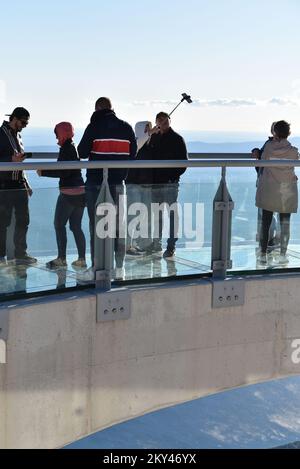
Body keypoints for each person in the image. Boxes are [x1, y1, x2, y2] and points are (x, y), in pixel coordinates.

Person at [78, 97, 137, 277]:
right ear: (112, 108)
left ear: (97, 109)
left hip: (96, 184)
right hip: (118, 184)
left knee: (97, 226)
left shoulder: (93, 127)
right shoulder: (126, 127)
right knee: (118, 226)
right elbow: (133, 154)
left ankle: (98, 267)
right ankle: (119, 268)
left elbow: (81, 153)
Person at [129, 112, 188, 258]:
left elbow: (184, 163)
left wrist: (171, 176)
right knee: (158, 215)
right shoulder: (153, 138)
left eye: (165, 119)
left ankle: (171, 245)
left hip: (169, 184)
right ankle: (157, 244)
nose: (163, 122)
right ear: (157, 122)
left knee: (172, 214)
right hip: (155, 184)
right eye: (160, 120)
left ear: (169, 121)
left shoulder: (177, 139)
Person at [38, 122, 86, 269]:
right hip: (80, 191)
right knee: (76, 226)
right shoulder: (73, 147)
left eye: (57, 134)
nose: (56, 137)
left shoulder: (66, 149)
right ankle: (82, 259)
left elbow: (64, 171)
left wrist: (43, 172)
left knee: (59, 225)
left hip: (68, 193)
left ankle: (61, 258)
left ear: (62, 133)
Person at [256, 120, 299, 266]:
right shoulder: (293, 151)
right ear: (288, 133)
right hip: (287, 190)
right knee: (285, 223)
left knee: (266, 223)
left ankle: (262, 254)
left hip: (269, 188)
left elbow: (261, 161)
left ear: (274, 132)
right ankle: (283, 255)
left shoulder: (268, 147)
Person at [0, 107, 37, 265]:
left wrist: (26, 183)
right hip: (4, 184)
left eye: (26, 123)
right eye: (23, 122)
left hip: (19, 184)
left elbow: (19, 161)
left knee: (24, 220)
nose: (24, 126)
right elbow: (10, 159)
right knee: (2, 223)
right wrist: (10, 159)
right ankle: (1, 257)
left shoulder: (18, 136)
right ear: (14, 119)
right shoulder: (0, 134)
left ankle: (20, 254)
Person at [252, 122, 280, 253]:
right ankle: (270, 242)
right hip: (279, 184)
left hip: (267, 183)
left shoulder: (269, 145)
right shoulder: (288, 147)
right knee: (271, 214)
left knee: (266, 214)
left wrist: (257, 154)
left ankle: (267, 243)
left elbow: (262, 163)